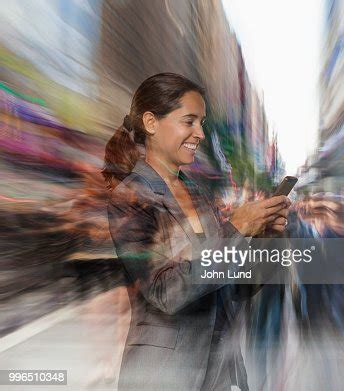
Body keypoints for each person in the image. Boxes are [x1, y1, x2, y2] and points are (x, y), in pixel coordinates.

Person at [103, 73, 290, 391]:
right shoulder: (130, 197)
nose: (200, 133)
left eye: (201, 122)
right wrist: (237, 229)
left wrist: (265, 235)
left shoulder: (199, 195)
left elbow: (233, 287)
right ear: (151, 122)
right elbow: (167, 292)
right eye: (189, 121)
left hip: (219, 374)